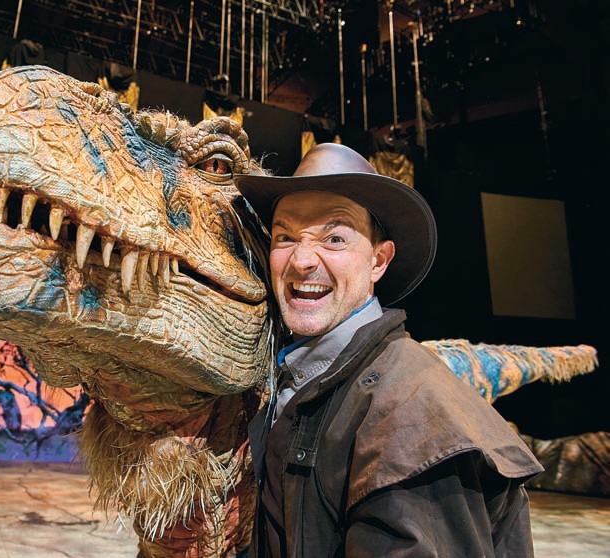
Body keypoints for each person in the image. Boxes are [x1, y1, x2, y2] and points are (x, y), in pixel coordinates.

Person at [233, 143, 544, 557]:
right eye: (285, 237)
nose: (302, 259)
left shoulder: (410, 414)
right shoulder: (294, 379)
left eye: (335, 238)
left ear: (379, 261)